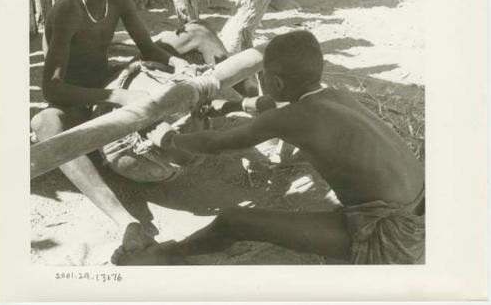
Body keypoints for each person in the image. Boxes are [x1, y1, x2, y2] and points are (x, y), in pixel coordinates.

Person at [111, 30, 425, 265]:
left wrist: (167, 138)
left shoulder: (297, 117)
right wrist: (234, 105)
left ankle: (165, 255)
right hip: (423, 208)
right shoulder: (336, 95)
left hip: (395, 239)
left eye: (263, 77)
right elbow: (279, 106)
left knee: (234, 221)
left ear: (274, 80)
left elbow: (215, 144)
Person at [30, 0, 193, 251]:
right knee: (44, 122)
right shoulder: (67, 11)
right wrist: (117, 96)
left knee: (188, 44)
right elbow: (52, 89)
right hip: (74, 101)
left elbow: (148, 48)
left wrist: (175, 63)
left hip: (107, 83)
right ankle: (126, 221)